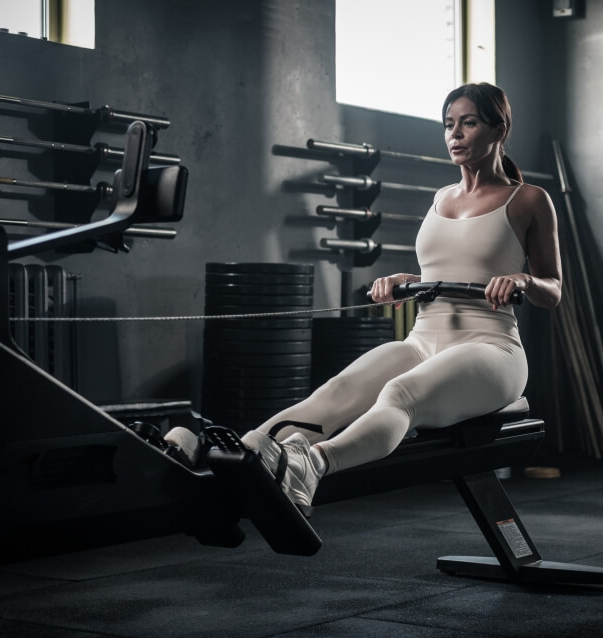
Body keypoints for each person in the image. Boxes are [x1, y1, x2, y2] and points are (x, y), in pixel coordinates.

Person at [171, 82, 562, 508]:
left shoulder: (528, 200)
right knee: (337, 392)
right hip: (423, 341)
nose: (455, 134)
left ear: (498, 129)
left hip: (491, 349)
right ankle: (240, 454)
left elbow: (552, 290)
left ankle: (312, 466)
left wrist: (522, 281)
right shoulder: (440, 198)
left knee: (400, 394)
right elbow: (449, 271)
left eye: (468, 123)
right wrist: (403, 278)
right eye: (449, 125)